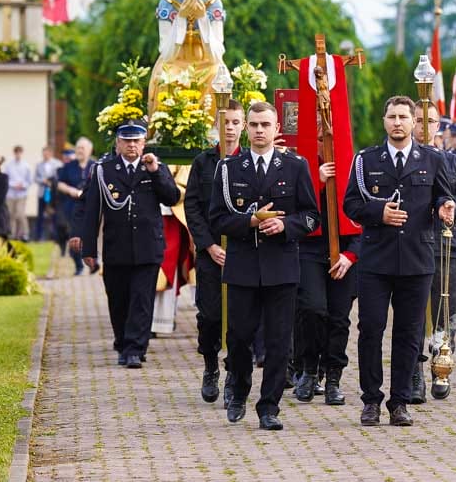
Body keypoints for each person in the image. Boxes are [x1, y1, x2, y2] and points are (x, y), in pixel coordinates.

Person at [344, 95, 454, 427]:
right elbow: (350, 204)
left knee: (408, 334)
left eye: (404, 117)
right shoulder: (366, 160)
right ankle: (371, 400)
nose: (397, 122)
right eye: (392, 116)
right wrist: (379, 212)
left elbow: (444, 196)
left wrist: (446, 207)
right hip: (376, 260)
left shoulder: (432, 159)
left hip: (417, 260)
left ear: (413, 122)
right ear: (384, 121)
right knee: (370, 330)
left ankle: (400, 401)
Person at [208, 101, 319, 429]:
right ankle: (239, 391)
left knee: (279, 340)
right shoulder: (229, 169)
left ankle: (269, 406)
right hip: (243, 265)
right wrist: (250, 222)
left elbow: (311, 216)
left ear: (276, 129)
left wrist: (286, 227)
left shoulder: (295, 166)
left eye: (265, 125)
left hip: (281, 266)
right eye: (253, 124)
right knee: (239, 336)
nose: (259, 130)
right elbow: (216, 218)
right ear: (246, 128)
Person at [81, 120, 180, 369]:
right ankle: (123, 343)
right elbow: (92, 210)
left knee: (142, 299)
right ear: (118, 143)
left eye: (137, 140)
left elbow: (172, 196)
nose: (132, 145)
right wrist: (89, 249)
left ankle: (135, 348)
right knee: (118, 299)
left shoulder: (154, 167)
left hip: (148, 246)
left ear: (144, 142)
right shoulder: (104, 170)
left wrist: (156, 171)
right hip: (117, 247)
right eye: (127, 141)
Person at [293, 123, 361, 406]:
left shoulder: (355, 167)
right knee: (312, 309)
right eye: (320, 139)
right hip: (310, 249)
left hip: (344, 253)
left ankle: (333, 376)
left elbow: (364, 218)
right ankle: (309, 369)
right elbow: (293, 208)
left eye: (330, 139)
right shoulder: (300, 168)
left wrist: (350, 256)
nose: (325, 144)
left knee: (338, 318)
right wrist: (316, 181)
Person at [411, 102, 456, 402]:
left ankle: (441, 366)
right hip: (409, 247)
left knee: (443, 311)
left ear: (440, 125)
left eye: (431, 120)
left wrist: (450, 206)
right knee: (412, 313)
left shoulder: (453, 162)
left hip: (444, 246)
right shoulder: (401, 160)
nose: (425, 126)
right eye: (419, 120)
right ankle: (413, 373)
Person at [184, 99, 243, 405]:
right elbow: (191, 206)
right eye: (225, 122)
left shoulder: (248, 162)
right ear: (216, 126)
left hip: (242, 254)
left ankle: (234, 373)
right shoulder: (203, 162)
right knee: (209, 316)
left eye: (235, 122)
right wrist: (208, 244)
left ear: (242, 125)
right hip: (211, 254)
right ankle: (210, 366)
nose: (230, 127)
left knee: (239, 318)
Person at [56, 138, 95, 275]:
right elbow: (59, 184)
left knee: (91, 236)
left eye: (82, 148)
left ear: (89, 150)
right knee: (73, 237)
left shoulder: (95, 166)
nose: (79, 151)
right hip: (72, 206)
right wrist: (70, 190)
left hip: (91, 208)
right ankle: (78, 265)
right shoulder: (69, 166)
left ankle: (93, 264)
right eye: (78, 148)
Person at [5, 145, 32, 241]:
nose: (18, 154)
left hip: (21, 194)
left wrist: (23, 185)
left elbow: (29, 181)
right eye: (16, 152)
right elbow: (6, 179)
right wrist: (13, 184)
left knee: (20, 214)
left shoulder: (26, 166)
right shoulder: (9, 165)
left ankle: (25, 234)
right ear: (14, 153)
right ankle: (11, 234)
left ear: (21, 153)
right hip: (11, 194)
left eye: (19, 152)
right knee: (11, 214)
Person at [34, 146, 61, 241]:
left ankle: (56, 236)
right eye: (43, 154)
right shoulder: (39, 165)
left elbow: (60, 176)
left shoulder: (57, 164)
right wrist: (43, 180)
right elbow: (35, 178)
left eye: (46, 154)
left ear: (50, 153)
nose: (45, 156)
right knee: (40, 215)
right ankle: (39, 236)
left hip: (53, 193)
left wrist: (52, 182)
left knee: (54, 214)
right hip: (42, 192)